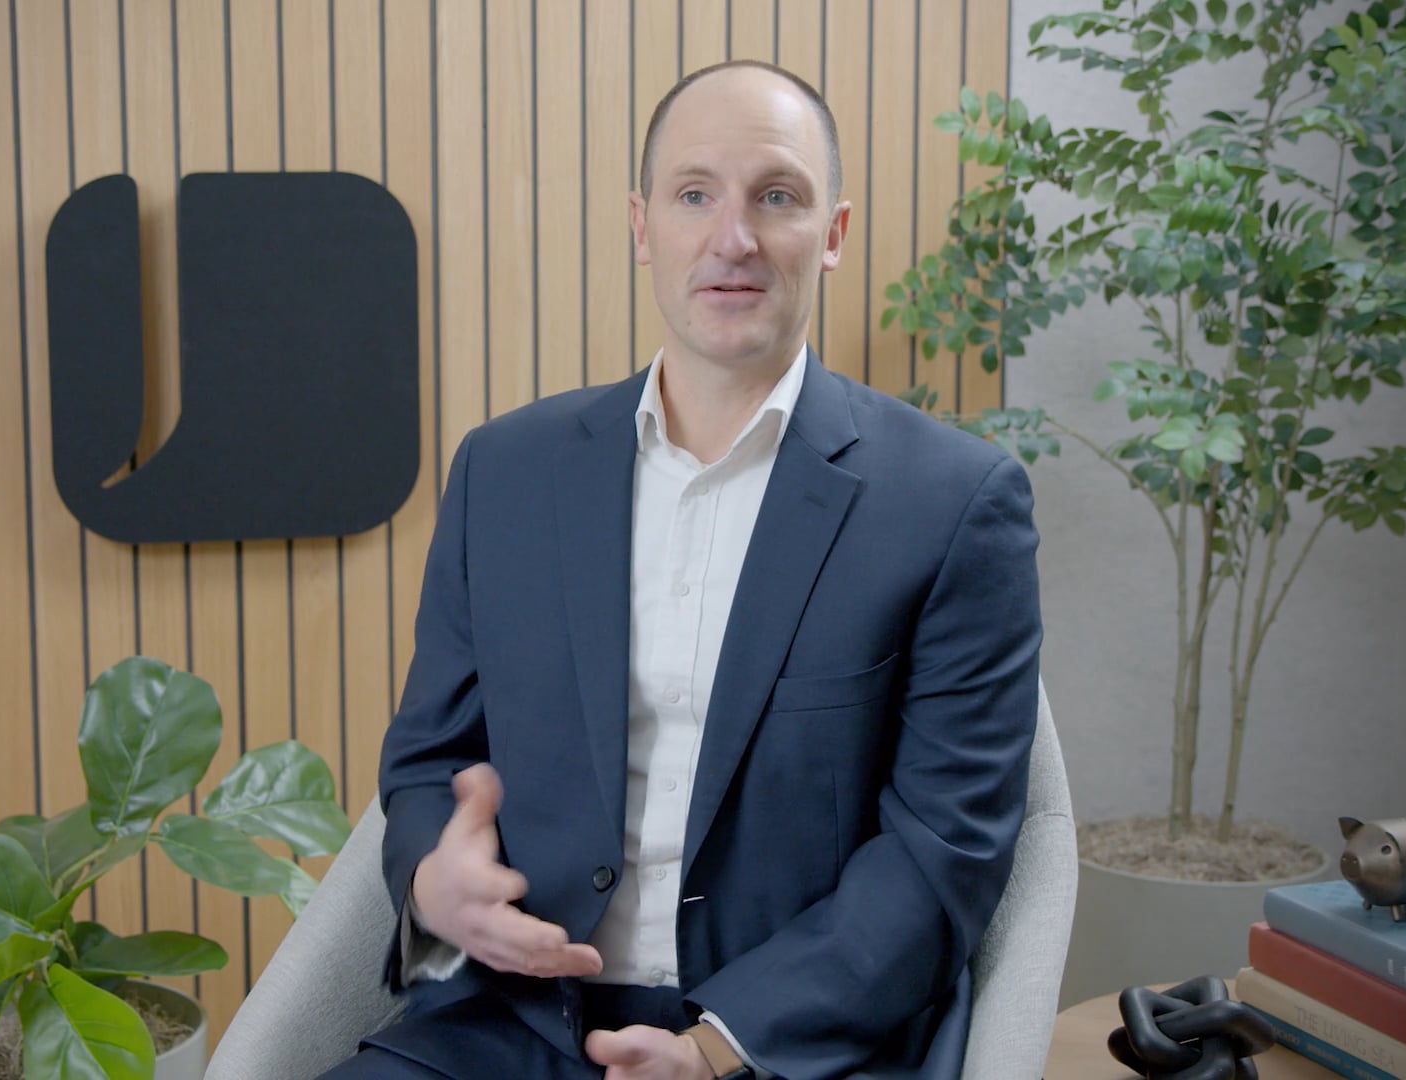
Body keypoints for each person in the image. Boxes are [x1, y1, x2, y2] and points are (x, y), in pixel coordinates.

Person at [330, 60, 1043, 1080]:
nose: (733, 238)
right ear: (641, 225)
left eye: (777, 197)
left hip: (785, 1046)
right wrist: (435, 887)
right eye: (695, 193)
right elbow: (430, 763)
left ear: (833, 234)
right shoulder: (505, 473)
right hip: (513, 1027)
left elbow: (942, 857)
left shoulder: (952, 503)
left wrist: (715, 1050)